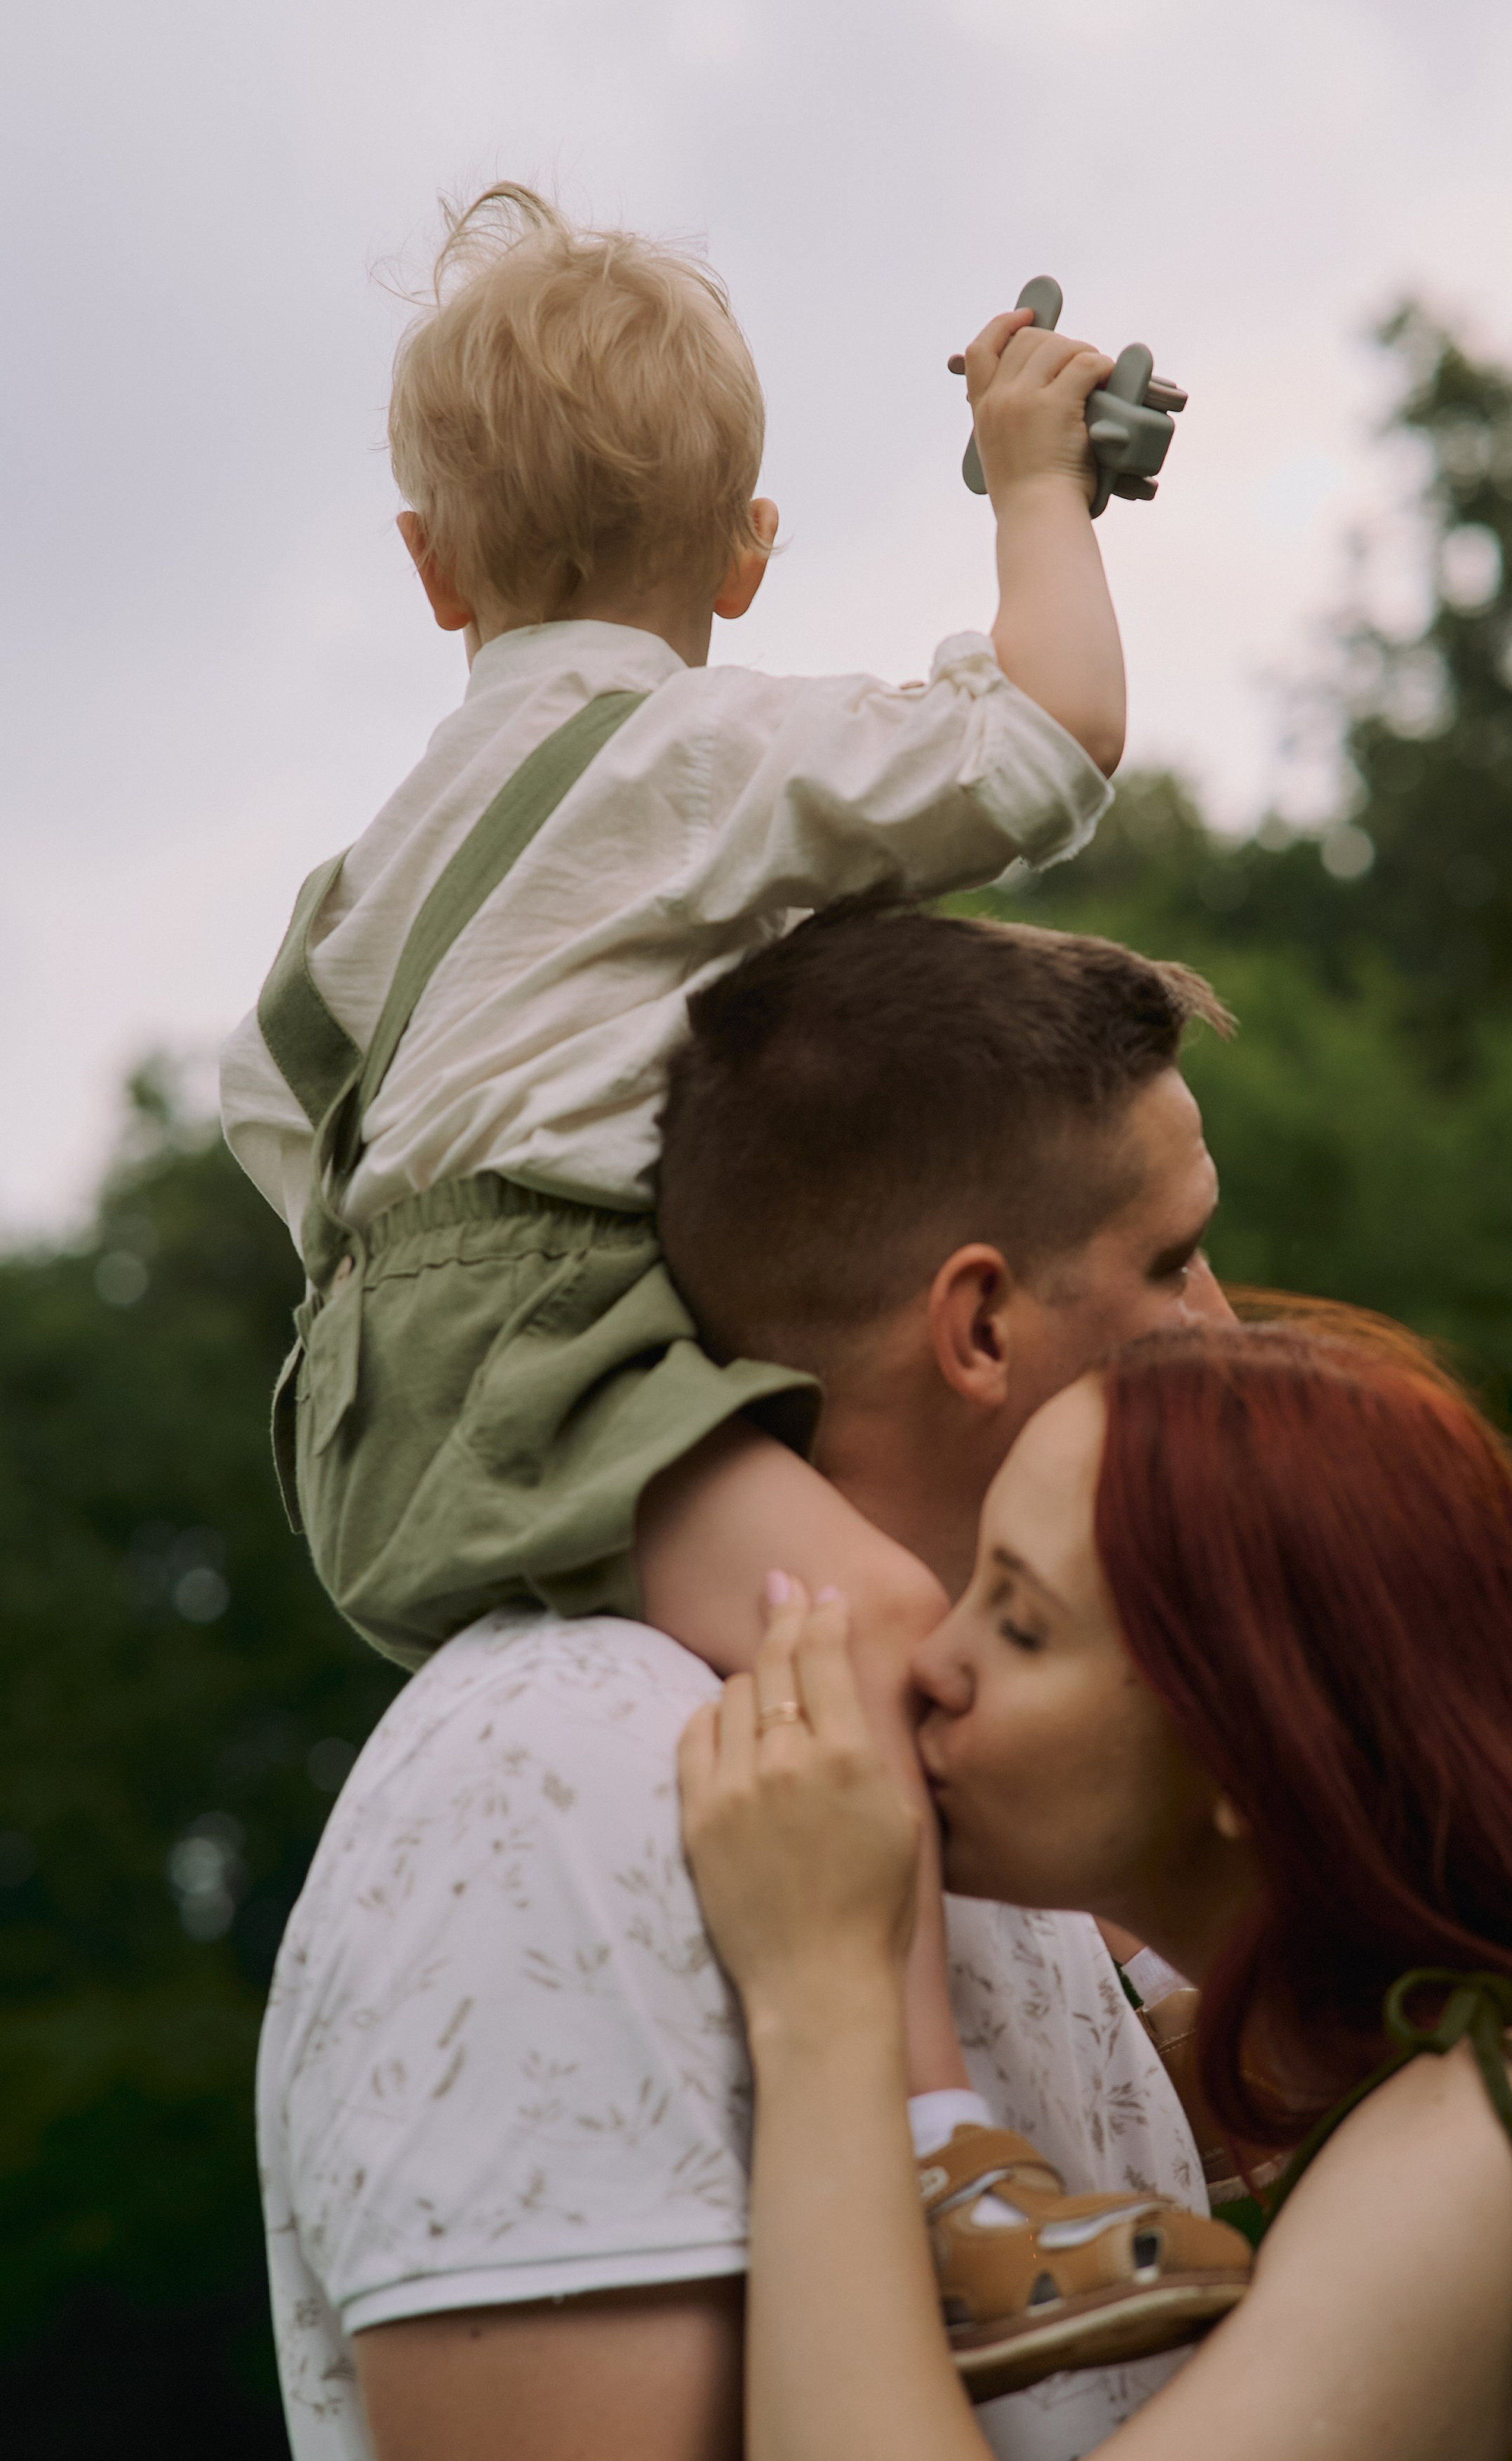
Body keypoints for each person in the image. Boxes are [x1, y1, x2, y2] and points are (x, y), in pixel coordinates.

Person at [223, 182, 1225, 2379]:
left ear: (433, 568)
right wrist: (1043, 481)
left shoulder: (377, 851)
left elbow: (272, 1101)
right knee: (858, 1621)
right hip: (531, 1332)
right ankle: (953, 2159)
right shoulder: (699, 756)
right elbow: (1047, 742)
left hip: (370, 1361)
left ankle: (1116, 1982)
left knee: (827, 1598)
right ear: (746, 554)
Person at [257, 905, 1247, 2461]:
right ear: (977, 1324)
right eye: (1174, 1260)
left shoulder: (986, 1799)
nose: (1226, 1325)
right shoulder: (562, 1785)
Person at [679, 1314, 1512, 2461]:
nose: (932, 1663)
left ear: (1249, 1741)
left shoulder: (1511, 2144)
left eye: (1018, 1621)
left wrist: (820, 1994)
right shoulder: (1487, 2084)